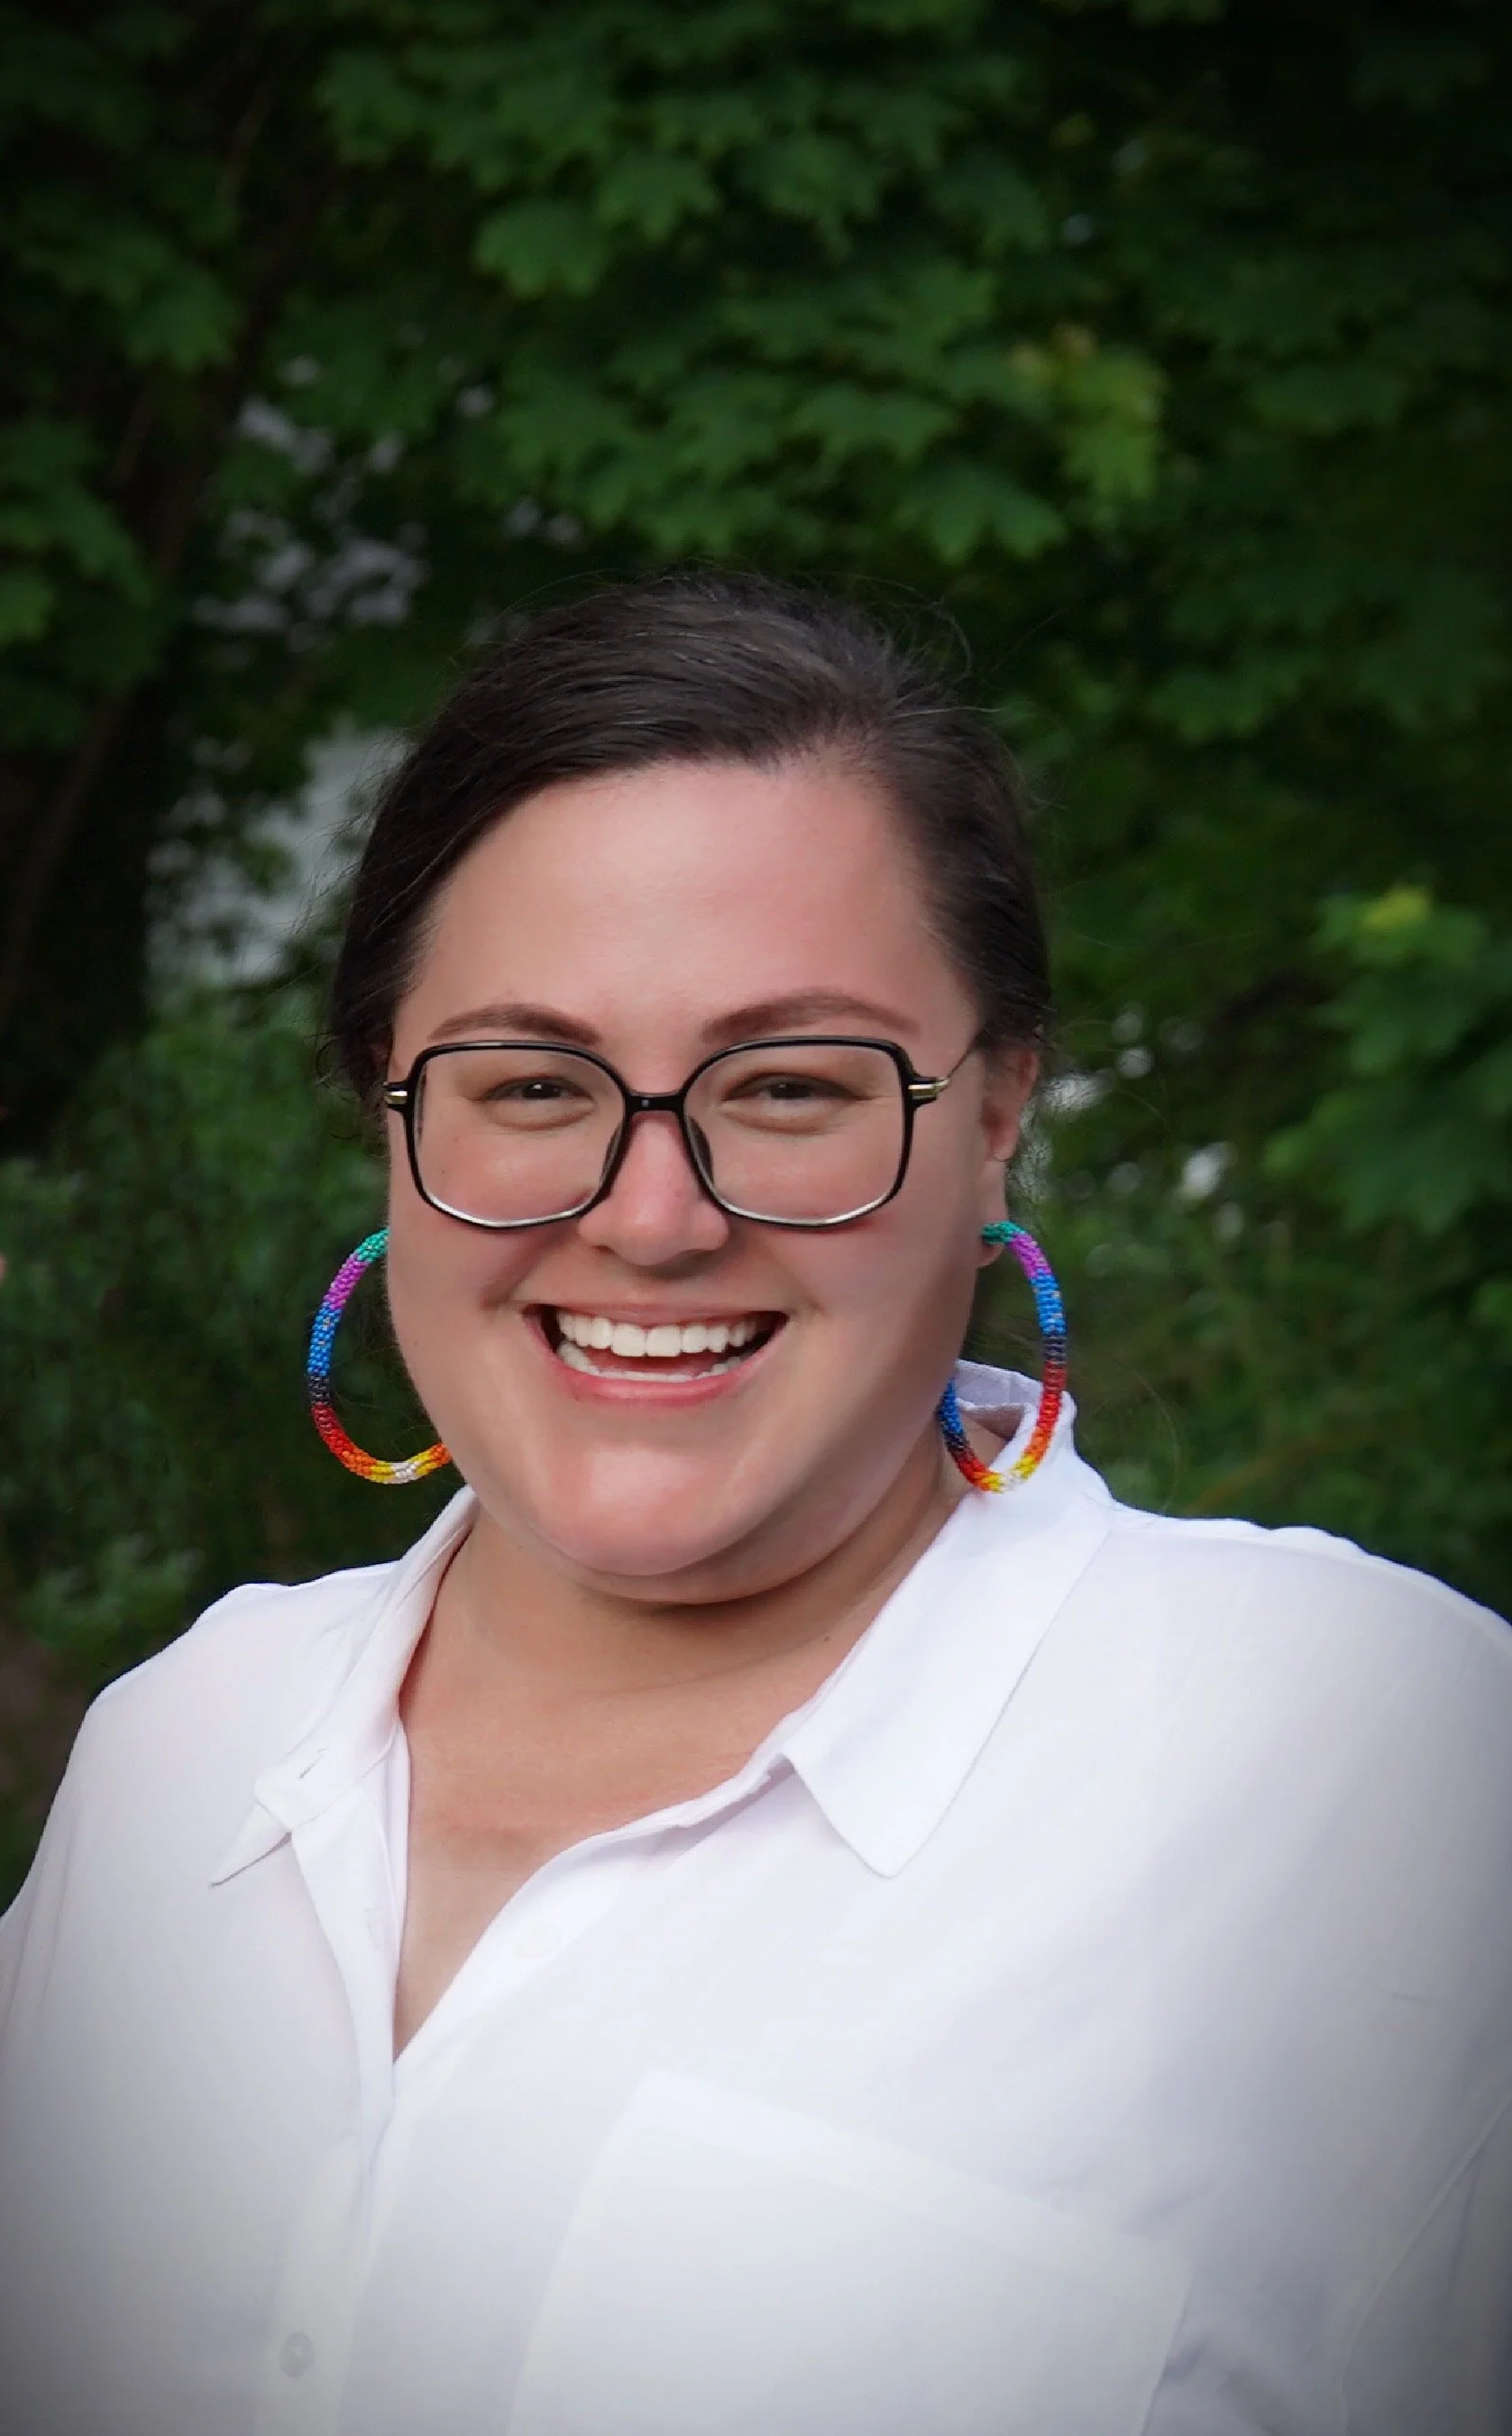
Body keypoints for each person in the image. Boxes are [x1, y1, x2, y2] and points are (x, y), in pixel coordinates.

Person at [1, 574, 1509, 2436]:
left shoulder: (1375, 1755)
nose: (651, 1217)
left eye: (790, 1084)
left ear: (1000, 1105)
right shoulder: (178, 1754)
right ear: (385, 1109)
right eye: (532, 1080)